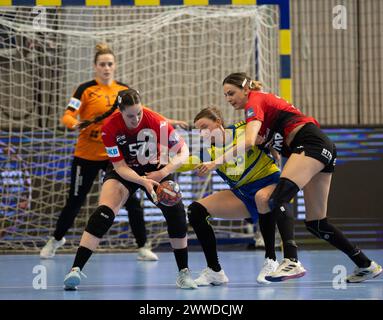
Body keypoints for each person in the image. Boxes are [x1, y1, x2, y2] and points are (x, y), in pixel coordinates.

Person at [198, 72, 382, 283]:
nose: (229, 99)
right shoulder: (265, 113)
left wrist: (215, 161)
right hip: (321, 148)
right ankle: (366, 264)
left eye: (231, 93)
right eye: (225, 96)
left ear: (246, 89)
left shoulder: (254, 101)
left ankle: (291, 261)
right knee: (317, 224)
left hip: (311, 145)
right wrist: (271, 149)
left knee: (274, 198)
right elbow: (265, 140)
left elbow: (249, 141)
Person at [40, 43, 187, 261]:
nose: (106, 68)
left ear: (115, 66)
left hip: (122, 158)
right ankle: (56, 240)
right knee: (75, 200)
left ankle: (142, 246)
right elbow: (67, 115)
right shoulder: (85, 89)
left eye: (110, 64)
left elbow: (143, 115)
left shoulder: (123, 91)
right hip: (88, 155)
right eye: (102, 64)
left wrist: (169, 123)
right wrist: (76, 124)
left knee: (132, 202)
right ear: (95, 66)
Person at [63, 88, 197, 290]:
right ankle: (75, 269)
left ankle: (184, 273)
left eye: (139, 113)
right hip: (125, 170)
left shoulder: (156, 121)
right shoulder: (110, 127)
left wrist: (163, 173)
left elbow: (184, 151)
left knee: (177, 212)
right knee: (105, 212)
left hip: (155, 168)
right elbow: (120, 167)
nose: (136, 120)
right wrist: (142, 181)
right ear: (120, 111)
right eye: (130, 116)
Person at [178, 106, 304, 285]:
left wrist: (271, 144)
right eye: (199, 130)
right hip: (243, 194)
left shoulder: (243, 130)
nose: (202, 133)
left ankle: (271, 260)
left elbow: (269, 131)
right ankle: (215, 271)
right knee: (196, 210)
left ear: (218, 123)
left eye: (205, 127)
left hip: (270, 182)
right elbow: (184, 162)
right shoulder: (208, 153)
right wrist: (163, 163)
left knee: (263, 198)